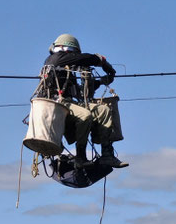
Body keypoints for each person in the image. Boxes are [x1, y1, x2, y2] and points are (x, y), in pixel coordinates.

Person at [37, 33, 128, 169]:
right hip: (57, 104)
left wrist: (99, 82)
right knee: (85, 115)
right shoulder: (55, 59)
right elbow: (84, 59)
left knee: (103, 110)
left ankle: (107, 155)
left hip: (70, 102)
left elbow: (79, 93)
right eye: (72, 52)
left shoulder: (66, 68)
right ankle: (80, 156)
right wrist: (100, 60)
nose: (73, 56)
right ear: (62, 48)